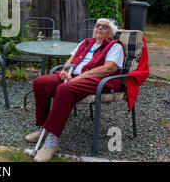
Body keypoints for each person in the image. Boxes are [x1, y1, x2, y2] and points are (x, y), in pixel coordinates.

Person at [26, 18, 125, 162]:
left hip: (96, 81)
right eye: (97, 25)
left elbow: (109, 68)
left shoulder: (115, 46)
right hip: (73, 76)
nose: (99, 28)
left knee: (64, 89)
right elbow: (70, 61)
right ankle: (44, 129)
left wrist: (81, 76)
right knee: (41, 82)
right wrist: (65, 70)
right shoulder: (85, 43)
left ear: (110, 34)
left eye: (104, 26)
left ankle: (51, 143)